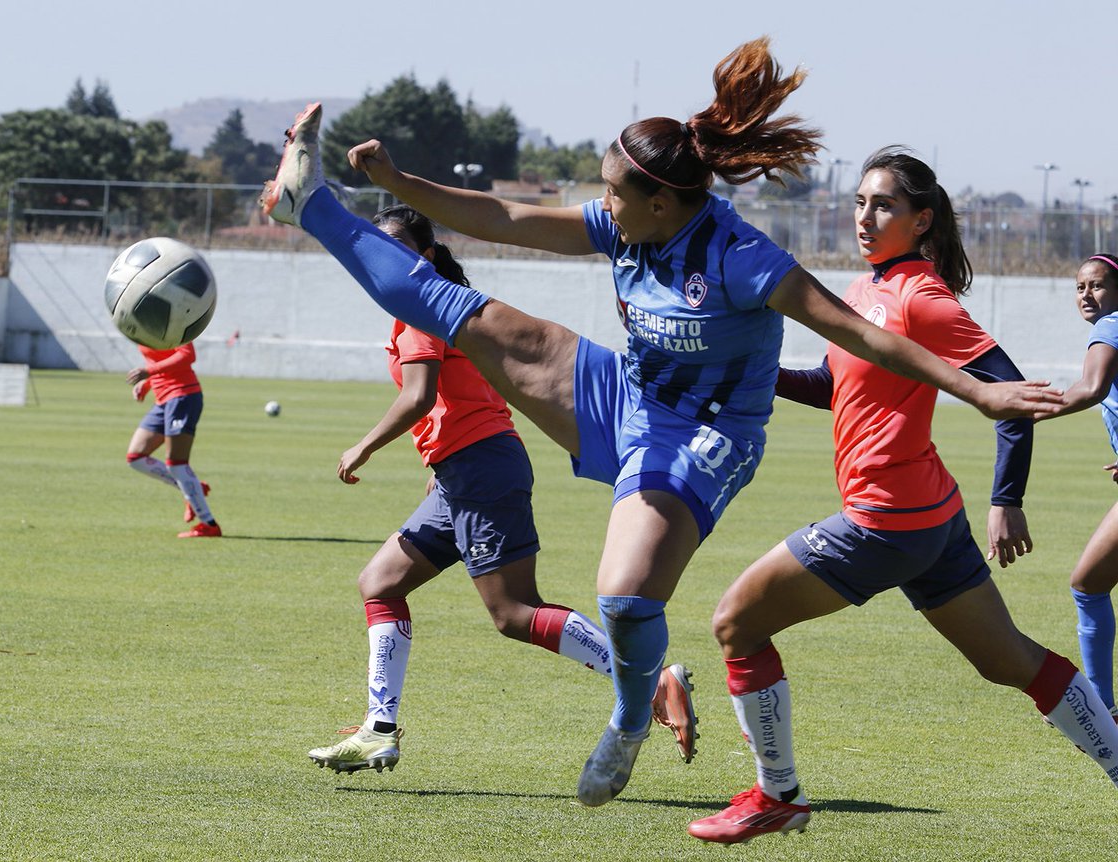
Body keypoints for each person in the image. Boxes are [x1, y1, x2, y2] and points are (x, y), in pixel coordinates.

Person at [259, 38, 1059, 807]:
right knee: (449, 307)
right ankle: (313, 204)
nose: (602, 205)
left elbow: (862, 335)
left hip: (706, 436)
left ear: (661, 202)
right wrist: (400, 181)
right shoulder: (625, 221)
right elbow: (502, 214)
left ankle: (630, 716)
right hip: (623, 394)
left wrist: (979, 393)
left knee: (623, 598)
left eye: (614, 193)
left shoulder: (742, 257)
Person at [684, 148, 1118, 845]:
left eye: (883, 204)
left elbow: (1010, 397)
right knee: (1010, 661)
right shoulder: (862, 290)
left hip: (886, 519)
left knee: (737, 622)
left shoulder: (922, 297)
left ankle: (778, 795)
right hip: (929, 517)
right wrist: (750, 376)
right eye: (859, 202)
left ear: (921, 220)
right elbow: (831, 387)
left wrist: (1007, 499)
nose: (865, 216)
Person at [307, 204, 698, 773]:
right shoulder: (440, 305)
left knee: (515, 612)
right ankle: (380, 728)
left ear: (426, 256)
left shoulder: (420, 312)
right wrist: (442, 462)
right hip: (464, 473)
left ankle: (652, 679)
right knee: (381, 582)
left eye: (396, 248)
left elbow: (419, 395)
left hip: (481, 470)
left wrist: (363, 446)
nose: (383, 259)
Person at [1043, 252, 1118, 721]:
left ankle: (1101, 710)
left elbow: (1092, 387)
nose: (1086, 294)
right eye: (1079, 287)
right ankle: (1103, 708)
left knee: (1088, 585)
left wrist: (1027, 409)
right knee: (1089, 584)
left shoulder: (1110, 327)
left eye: (1097, 285)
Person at [125, 341, 220, 538]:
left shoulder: (175, 326)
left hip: (183, 396)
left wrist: (149, 372)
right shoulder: (149, 329)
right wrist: (148, 384)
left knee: (177, 463)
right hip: (163, 399)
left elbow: (187, 355)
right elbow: (160, 358)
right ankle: (193, 486)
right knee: (136, 457)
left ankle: (209, 524)